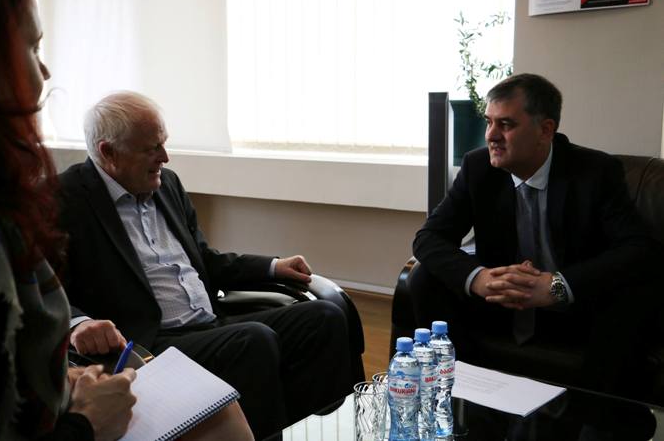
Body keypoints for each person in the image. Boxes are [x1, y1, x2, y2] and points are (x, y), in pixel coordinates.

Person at [0, 0, 254, 440]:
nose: (46, 74)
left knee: (232, 411)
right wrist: (84, 424)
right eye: (33, 48)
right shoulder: (57, 201)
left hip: (87, 382)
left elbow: (22, 363)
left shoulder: (10, 208)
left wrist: (71, 381)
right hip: (138, 350)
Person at [55, 90, 355, 439]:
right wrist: (79, 323)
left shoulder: (167, 183)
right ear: (108, 152)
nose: (165, 157)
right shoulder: (63, 199)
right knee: (253, 340)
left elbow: (203, 259)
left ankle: (326, 433)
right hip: (148, 342)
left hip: (209, 322)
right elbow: (42, 289)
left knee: (324, 317)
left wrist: (272, 267)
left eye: (164, 144)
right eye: (151, 149)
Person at [410, 73, 661, 399]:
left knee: (634, 292)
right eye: (489, 122)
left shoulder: (595, 172)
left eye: (506, 124)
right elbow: (429, 237)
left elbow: (638, 249)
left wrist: (557, 286)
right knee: (424, 277)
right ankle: (464, 395)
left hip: (574, 310)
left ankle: (595, 412)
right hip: (500, 305)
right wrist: (480, 278)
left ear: (545, 130)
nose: (491, 136)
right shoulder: (478, 168)